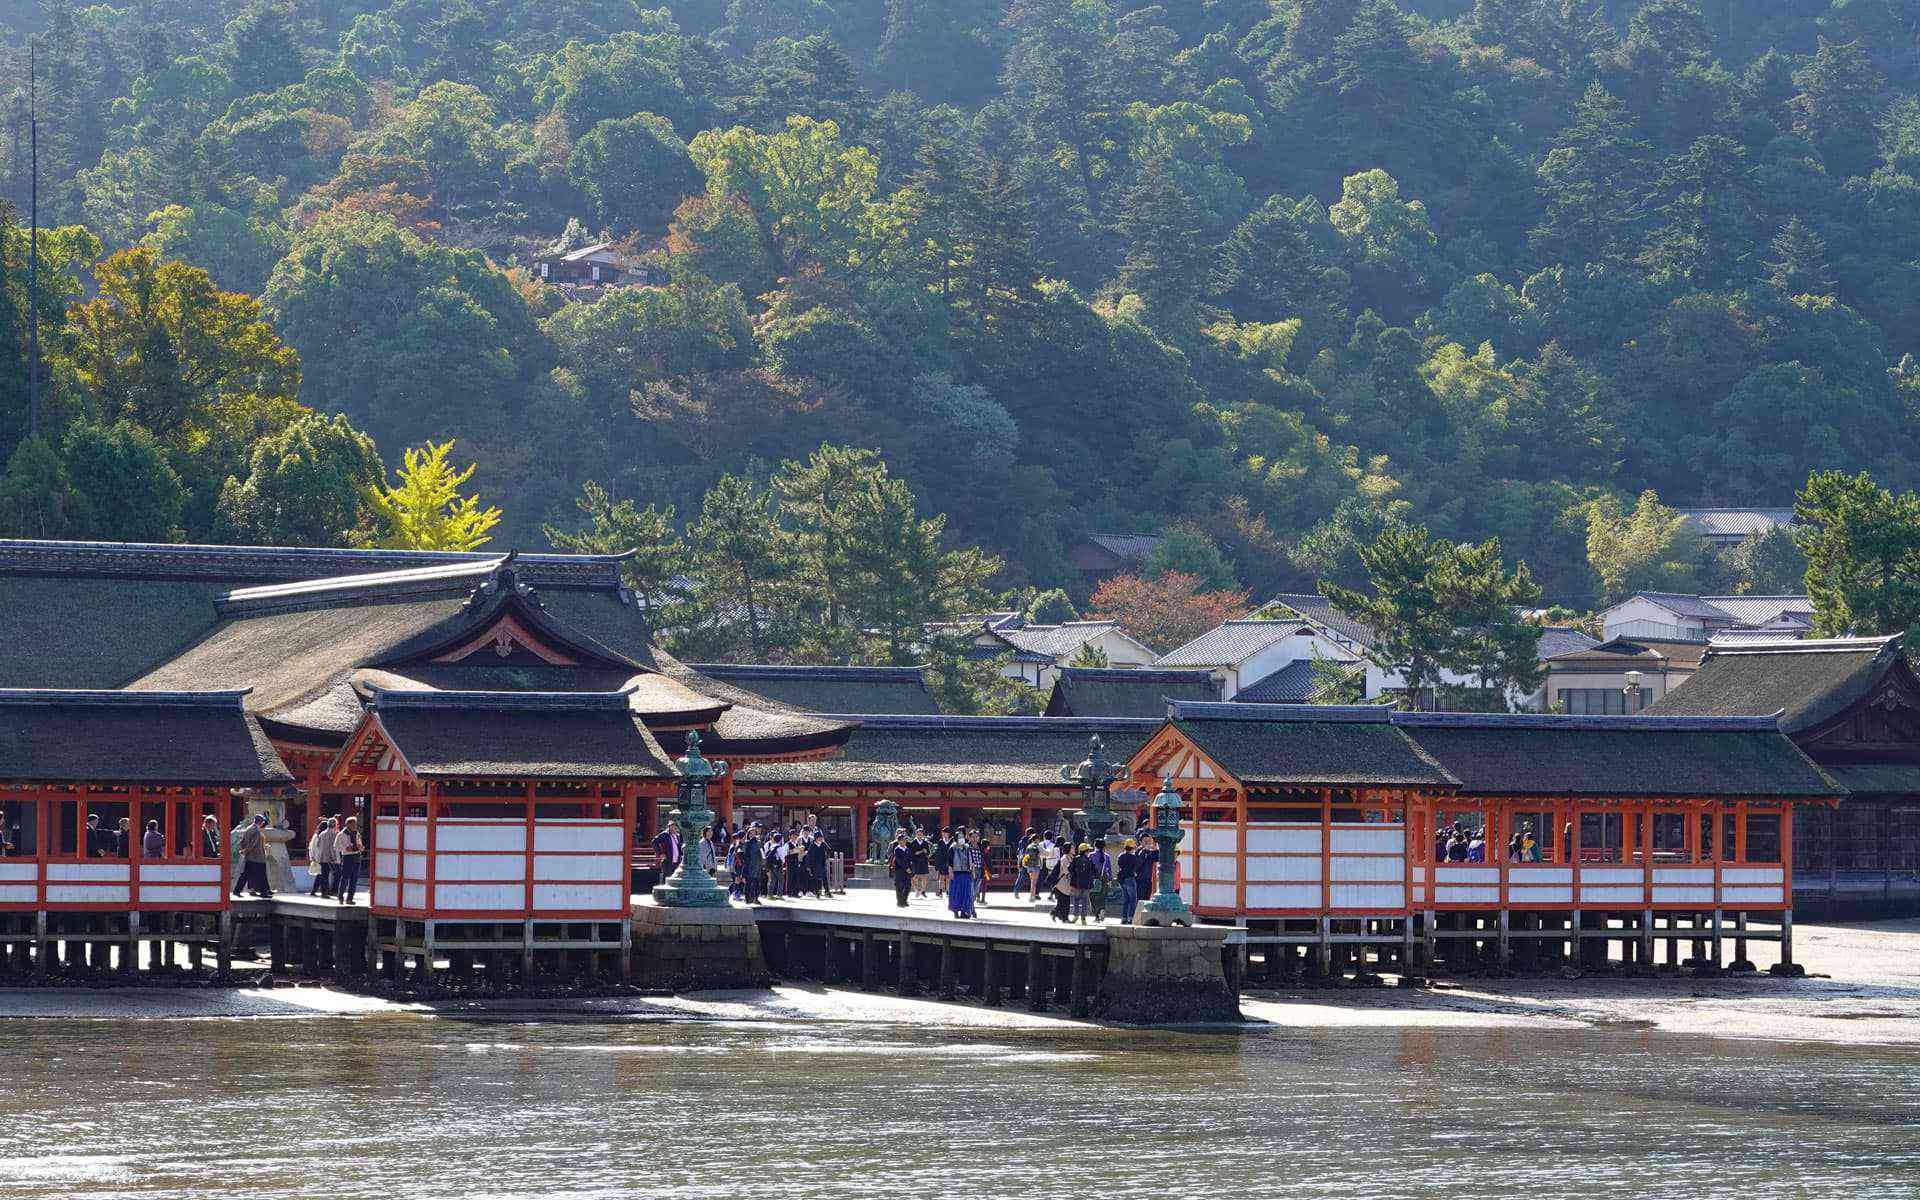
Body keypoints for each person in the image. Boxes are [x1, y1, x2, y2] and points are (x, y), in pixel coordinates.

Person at [234, 814, 273, 898]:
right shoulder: (256, 830)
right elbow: (253, 844)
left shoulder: (248, 828)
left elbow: (242, 841)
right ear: (261, 822)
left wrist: (243, 850)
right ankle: (263, 892)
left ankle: (237, 890)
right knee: (261, 875)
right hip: (257, 856)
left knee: (246, 874)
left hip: (251, 856)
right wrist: (245, 851)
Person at [334, 816, 363, 904]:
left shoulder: (357, 833)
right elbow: (336, 846)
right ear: (348, 824)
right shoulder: (341, 834)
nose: (355, 826)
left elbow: (360, 844)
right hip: (347, 857)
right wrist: (345, 848)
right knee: (345, 878)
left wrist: (361, 847)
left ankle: (350, 898)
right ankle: (340, 896)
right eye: (354, 824)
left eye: (355, 824)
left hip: (357, 856)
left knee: (354, 879)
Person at [948, 831, 976, 919]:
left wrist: (972, 868)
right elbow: (949, 862)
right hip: (956, 874)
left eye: (963, 837)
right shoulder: (952, 848)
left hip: (966, 873)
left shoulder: (967, 848)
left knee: (966, 893)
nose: (962, 839)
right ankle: (956, 911)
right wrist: (950, 872)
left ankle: (965, 911)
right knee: (956, 893)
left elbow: (971, 860)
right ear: (956, 839)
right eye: (960, 837)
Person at [309, 816, 338, 896]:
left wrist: (314, 856)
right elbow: (332, 847)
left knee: (321, 875)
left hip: (319, 857)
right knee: (325, 875)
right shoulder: (331, 834)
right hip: (325, 857)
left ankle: (318, 891)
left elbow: (314, 846)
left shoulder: (320, 834)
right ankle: (325, 891)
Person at [1067, 843, 1096, 924]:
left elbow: (1070, 869)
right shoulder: (1089, 860)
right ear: (1085, 851)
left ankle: (1076, 916)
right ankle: (1083, 918)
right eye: (1088, 851)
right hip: (1086, 884)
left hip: (1076, 884)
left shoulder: (1075, 859)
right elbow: (1094, 871)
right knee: (1085, 901)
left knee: (1076, 900)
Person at [1087, 839, 1113, 920]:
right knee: (1102, 896)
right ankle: (1101, 909)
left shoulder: (1091, 855)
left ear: (1095, 845)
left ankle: (1097, 915)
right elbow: (1109, 869)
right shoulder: (1106, 856)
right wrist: (1110, 879)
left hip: (1093, 877)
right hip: (1104, 878)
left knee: (1092, 896)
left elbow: (1088, 867)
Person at [1116, 839, 1140, 923]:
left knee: (1126, 900)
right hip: (1130, 879)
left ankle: (1124, 917)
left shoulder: (1120, 856)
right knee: (1133, 899)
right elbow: (1136, 867)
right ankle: (1131, 917)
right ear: (1132, 847)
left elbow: (1120, 866)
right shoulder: (1133, 857)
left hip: (1122, 880)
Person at [742, 823, 766, 904]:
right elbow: (743, 855)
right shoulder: (746, 843)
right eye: (750, 833)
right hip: (749, 866)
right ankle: (748, 898)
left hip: (757, 865)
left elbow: (762, 854)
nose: (752, 835)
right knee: (748, 883)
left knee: (757, 883)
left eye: (754, 833)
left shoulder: (759, 843)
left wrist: (763, 864)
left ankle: (756, 898)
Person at [889, 830, 914, 908]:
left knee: (908, 886)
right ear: (899, 841)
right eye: (903, 840)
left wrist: (910, 868)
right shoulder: (897, 849)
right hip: (899, 870)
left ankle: (904, 900)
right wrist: (906, 868)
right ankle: (900, 902)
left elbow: (910, 859)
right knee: (899, 886)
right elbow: (900, 861)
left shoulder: (907, 849)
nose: (905, 841)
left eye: (905, 840)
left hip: (908, 870)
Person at [805, 832, 829, 899]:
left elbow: (828, 851)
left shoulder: (823, 844)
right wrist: (808, 866)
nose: (821, 839)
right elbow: (809, 856)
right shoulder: (812, 845)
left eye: (821, 837)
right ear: (816, 838)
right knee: (816, 879)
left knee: (824, 878)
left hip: (822, 864)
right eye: (819, 837)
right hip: (814, 865)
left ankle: (827, 892)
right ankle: (817, 892)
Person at [909, 832, 932, 899]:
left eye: (921, 834)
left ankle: (923, 891)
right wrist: (920, 851)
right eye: (918, 834)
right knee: (915, 876)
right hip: (916, 862)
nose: (920, 836)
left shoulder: (925, 842)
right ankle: (916, 890)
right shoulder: (913, 843)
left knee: (924, 876)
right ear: (916, 835)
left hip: (924, 861)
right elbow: (912, 853)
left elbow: (928, 852)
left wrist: (926, 852)